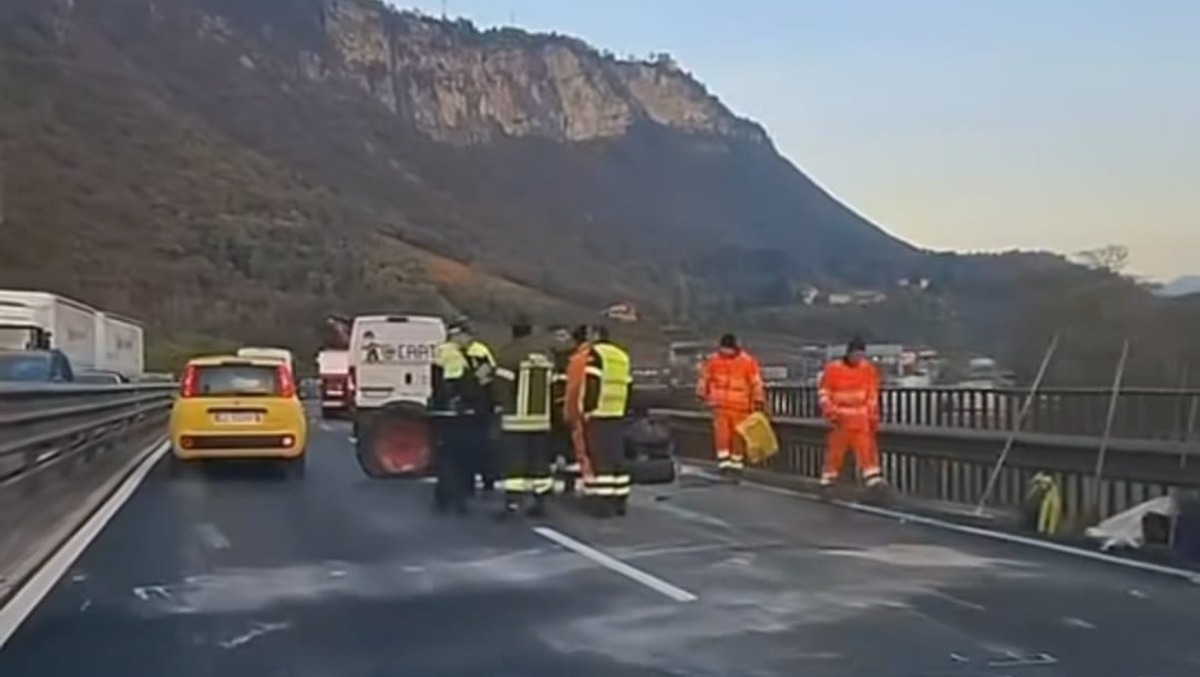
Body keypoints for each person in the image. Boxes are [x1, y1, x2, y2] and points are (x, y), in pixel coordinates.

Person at [565, 324, 633, 516]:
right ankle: (620, 500)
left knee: (600, 460)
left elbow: (593, 382)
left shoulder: (596, 355)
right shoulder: (621, 355)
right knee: (617, 459)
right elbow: (629, 385)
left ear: (596, 336)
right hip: (617, 412)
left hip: (599, 413)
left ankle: (602, 504)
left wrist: (587, 409)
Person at [490, 317, 555, 518]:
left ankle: (513, 504)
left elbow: (501, 386)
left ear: (514, 332)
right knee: (539, 462)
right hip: (541, 419)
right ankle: (540, 502)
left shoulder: (509, 354)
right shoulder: (545, 354)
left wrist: (499, 406)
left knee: (514, 464)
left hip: (515, 420)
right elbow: (552, 385)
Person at [818, 335, 885, 493]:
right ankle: (829, 480)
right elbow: (824, 393)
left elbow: (872, 395)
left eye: (861, 355)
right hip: (840, 419)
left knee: (867, 451)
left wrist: (873, 416)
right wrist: (830, 412)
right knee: (836, 451)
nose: (859, 358)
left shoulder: (868, 369)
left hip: (861, 419)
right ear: (849, 353)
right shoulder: (833, 369)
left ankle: (873, 480)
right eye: (856, 354)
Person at [696, 333, 765, 481]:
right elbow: (705, 378)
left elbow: (755, 382)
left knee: (736, 435)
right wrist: (758, 400)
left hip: (737, 405)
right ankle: (727, 462)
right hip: (727, 404)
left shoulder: (744, 362)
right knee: (724, 434)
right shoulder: (717, 361)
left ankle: (733, 462)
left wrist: (702, 394)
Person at [443, 317, 498, 495]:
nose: (461, 338)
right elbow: (442, 379)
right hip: (460, 405)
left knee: (482, 444)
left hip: (479, 405)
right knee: (464, 446)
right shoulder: (446, 351)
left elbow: (489, 376)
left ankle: (486, 478)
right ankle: (467, 481)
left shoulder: (479, 351)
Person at [547, 324, 579, 492]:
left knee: (569, 448)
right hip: (552, 410)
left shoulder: (575, 357)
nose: (559, 340)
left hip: (568, 408)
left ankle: (570, 483)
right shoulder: (550, 356)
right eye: (556, 336)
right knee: (552, 448)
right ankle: (550, 484)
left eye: (562, 336)